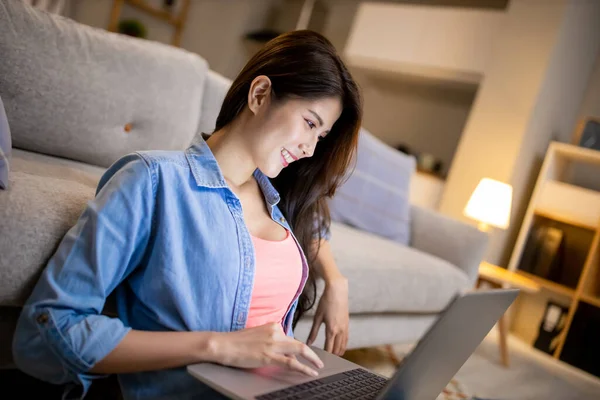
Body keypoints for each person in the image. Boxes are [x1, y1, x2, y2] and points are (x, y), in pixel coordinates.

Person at [12, 30, 362, 399]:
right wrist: (219, 347)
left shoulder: (281, 199)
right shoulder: (153, 181)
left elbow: (317, 227)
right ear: (260, 95)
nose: (309, 149)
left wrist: (336, 281)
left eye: (320, 137)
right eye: (310, 123)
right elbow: (51, 328)